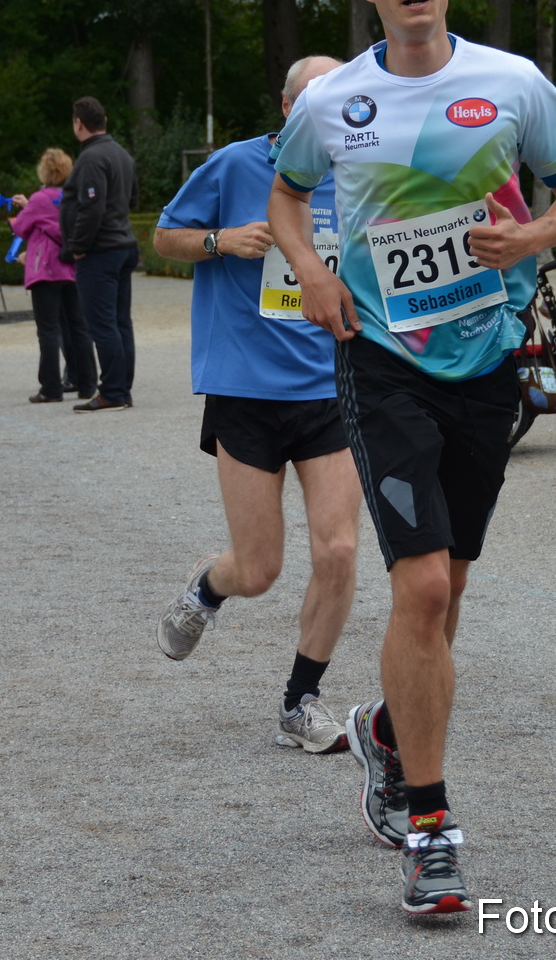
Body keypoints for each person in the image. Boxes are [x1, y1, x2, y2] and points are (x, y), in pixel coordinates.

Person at [267, 0, 556, 918]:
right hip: (382, 364)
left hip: (486, 360)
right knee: (417, 590)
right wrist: (312, 273)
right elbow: (286, 197)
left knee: (446, 593)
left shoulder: (511, 84)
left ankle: (382, 732)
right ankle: (431, 829)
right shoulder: (333, 104)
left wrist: (536, 233)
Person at [153, 53, 362, 755]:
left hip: (330, 388)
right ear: (286, 108)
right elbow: (162, 236)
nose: (326, 114)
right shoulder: (235, 166)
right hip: (245, 388)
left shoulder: (367, 176)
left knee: (337, 546)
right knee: (260, 567)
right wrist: (220, 241)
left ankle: (300, 701)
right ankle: (209, 588)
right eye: (313, 102)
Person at [60, 96, 139, 412]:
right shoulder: (122, 154)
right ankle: (122, 389)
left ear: (78, 123)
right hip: (123, 244)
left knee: (102, 324)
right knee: (120, 322)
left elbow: (91, 207)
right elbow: (132, 201)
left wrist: (78, 246)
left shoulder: (91, 158)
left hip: (100, 250)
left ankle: (114, 392)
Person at [10, 147, 95, 403]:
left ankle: (50, 388)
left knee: (48, 330)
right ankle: (87, 384)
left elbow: (21, 227)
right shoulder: (74, 197)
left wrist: (15, 219)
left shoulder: (39, 198)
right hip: (71, 268)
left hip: (45, 269)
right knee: (79, 327)